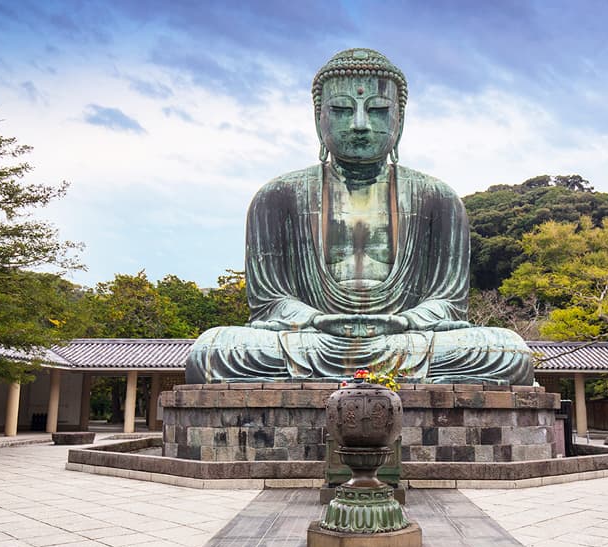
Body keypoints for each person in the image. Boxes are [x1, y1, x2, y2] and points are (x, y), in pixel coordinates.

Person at [186, 48, 533, 384]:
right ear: (318, 116)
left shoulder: (438, 198)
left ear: (400, 119)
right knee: (213, 351)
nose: (360, 124)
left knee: (508, 352)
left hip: (406, 340)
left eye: (379, 110)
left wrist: (403, 322)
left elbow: (448, 304)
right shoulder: (277, 197)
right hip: (312, 339)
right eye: (341, 109)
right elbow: (270, 303)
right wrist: (319, 320)